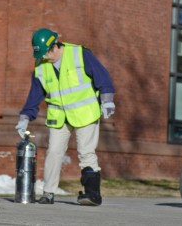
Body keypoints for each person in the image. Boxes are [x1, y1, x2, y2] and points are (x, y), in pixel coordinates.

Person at [15, 28, 116, 206]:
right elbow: (35, 94)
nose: (44, 58)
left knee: (86, 152)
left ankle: (92, 194)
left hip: (85, 112)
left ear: (54, 46)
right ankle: (48, 193)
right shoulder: (40, 65)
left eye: (46, 53)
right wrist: (24, 117)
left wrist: (107, 100)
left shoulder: (79, 54)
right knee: (53, 152)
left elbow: (103, 76)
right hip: (59, 115)